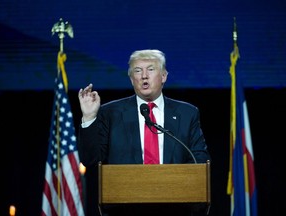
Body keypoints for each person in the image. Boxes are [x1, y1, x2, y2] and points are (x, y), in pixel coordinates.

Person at [77, 49, 211, 216]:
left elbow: (199, 160)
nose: (144, 76)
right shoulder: (110, 113)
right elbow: (90, 159)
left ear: (164, 76)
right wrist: (89, 117)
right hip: (125, 210)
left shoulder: (187, 113)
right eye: (137, 71)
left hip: (175, 209)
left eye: (151, 69)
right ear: (132, 79)